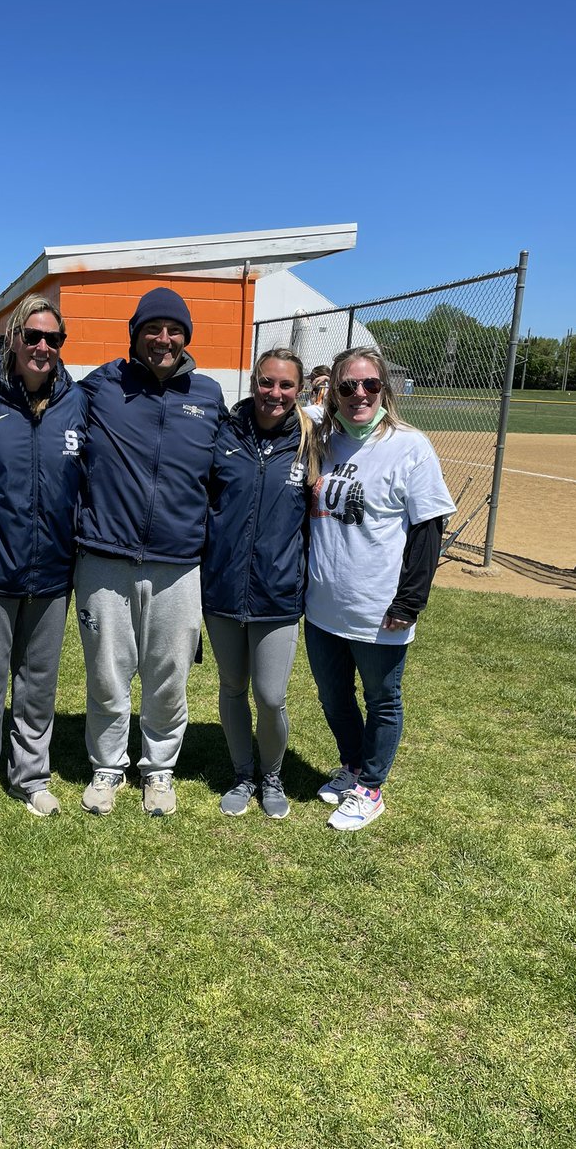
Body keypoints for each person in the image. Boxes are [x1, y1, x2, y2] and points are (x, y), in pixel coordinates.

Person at [76, 287, 228, 817]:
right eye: (152, 329)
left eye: (173, 329)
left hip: (178, 562)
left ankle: (159, 771)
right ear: (135, 335)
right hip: (104, 555)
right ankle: (108, 767)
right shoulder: (100, 386)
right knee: (107, 672)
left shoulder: (208, 396)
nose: (163, 339)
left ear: (187, 336)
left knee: (169, 673)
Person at [0, 295, 87, 821]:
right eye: (33, 336)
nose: (44, 347)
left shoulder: (75, 401)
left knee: (38, 687)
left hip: (52, 572)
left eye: (54, 339)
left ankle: (31, 775)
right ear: (13, 339)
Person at [305, 346, 455, 830]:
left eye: (370, 385)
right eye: (348, 386)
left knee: (382, 699)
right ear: (334, 394)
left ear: (385, 389)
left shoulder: (410, 446)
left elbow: (428, 529)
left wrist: (410, 600)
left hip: (379, 607)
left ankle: (372, 787)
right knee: (333, 696)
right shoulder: (325, 441)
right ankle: (351, 767)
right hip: (323, 604)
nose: (360, 394)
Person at [202, 350, 318, 818]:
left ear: (300, 390)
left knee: (270, 696)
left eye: (286, 386)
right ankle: (242, 773)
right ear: (254, 382)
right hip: (224, 590)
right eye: (267, 383)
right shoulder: (224, 435)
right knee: (232, 687)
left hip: (278, 593)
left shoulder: (313, 444)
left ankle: (271, 775)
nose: (275, 393)